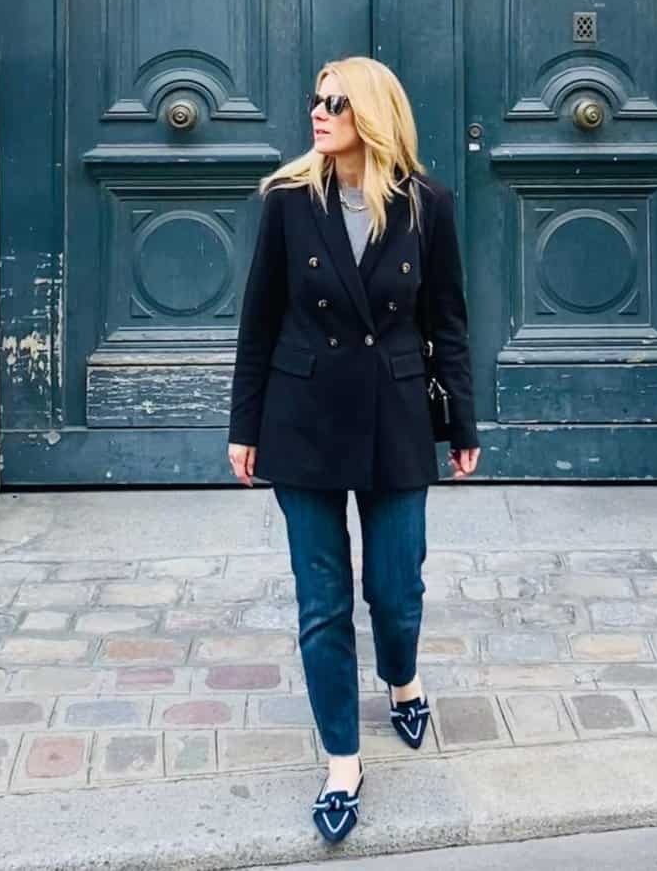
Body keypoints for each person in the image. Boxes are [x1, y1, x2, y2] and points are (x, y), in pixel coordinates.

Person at [227, 55, 480, 843]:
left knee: (396, 588)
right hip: (302, 418)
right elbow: (258, 319)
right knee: (322, 600)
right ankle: (342, 758)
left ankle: (402, 678)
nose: (319, 111)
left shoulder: (427, 206)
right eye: (315, 99)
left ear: (371, 113)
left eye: (336, 101)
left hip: (398, 415)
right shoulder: (287, 202)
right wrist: (244, 425)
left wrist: (463, 423)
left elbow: (448, 324)